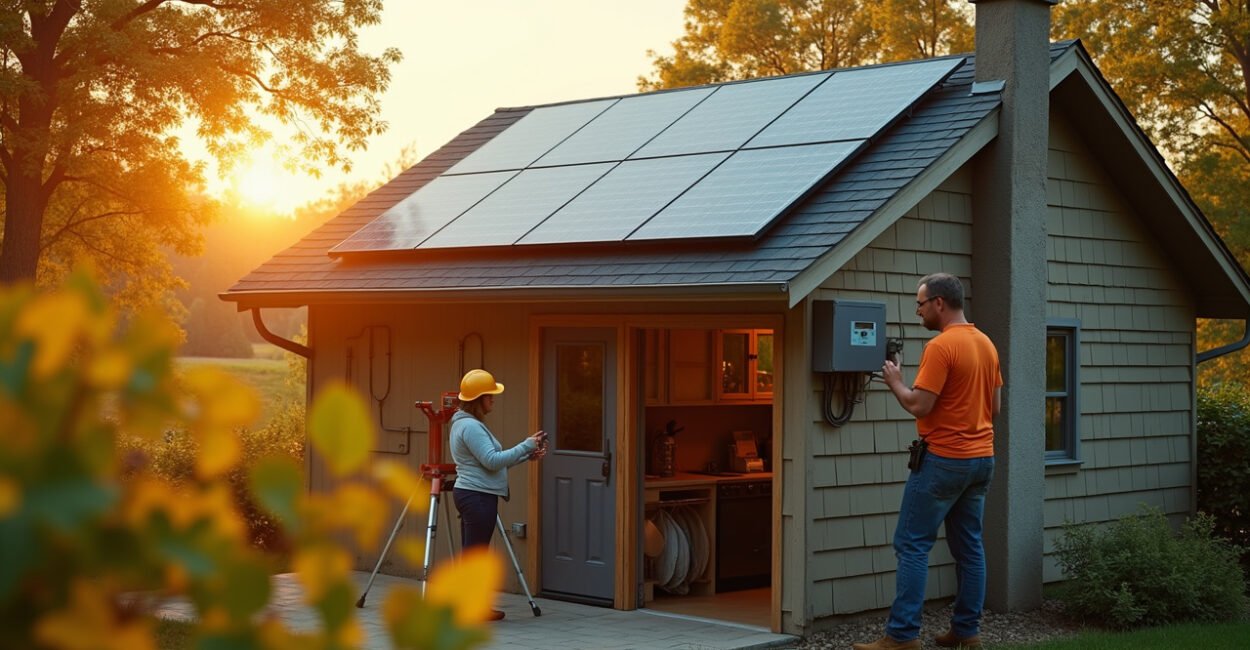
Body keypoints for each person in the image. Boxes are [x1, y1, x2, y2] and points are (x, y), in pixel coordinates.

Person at [854, 273, 1002, 650]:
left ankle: (902, 636)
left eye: (920, 304)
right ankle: (967, 632)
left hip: (943, 460)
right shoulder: (986, 344)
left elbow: (919, 403)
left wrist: (895, 381)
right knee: (970, 546)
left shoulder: (941, 346)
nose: (917, 311)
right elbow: (995, 407)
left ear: (939, 303)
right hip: (982, 459)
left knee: (912, 543)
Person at [449, 368, 547, 621]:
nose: (493, 399)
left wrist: (527, 455)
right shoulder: (470, 426)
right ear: (478, 399)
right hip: (477, 496)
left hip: (475, 493)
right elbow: (492, 461)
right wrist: (525, 444)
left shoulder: (467, 423)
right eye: (490, 395)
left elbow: (491, 463)